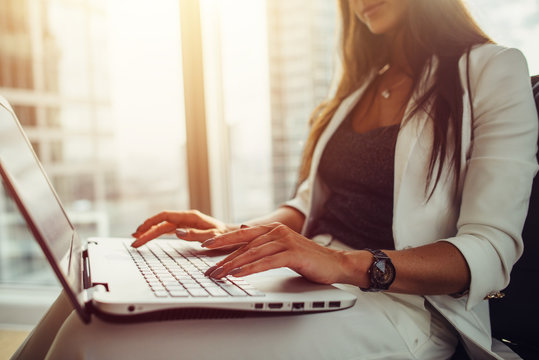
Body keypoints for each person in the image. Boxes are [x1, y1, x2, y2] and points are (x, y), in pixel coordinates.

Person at [12, 0, 538, 359]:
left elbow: (491, 250)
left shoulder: (491, 70)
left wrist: (346, 263)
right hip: (306, 279)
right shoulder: (360, 89)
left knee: (100, 344)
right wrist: (237, 234)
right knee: (87, 293)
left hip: (399, 306)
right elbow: (309, 205)